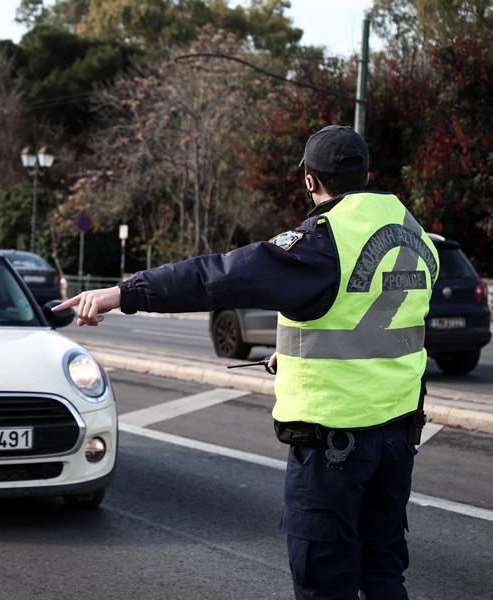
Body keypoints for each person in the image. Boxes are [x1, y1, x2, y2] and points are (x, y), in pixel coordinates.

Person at [54, 125, 438, 599]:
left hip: (335, 449)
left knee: (326, 582)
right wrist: (297, 349)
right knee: (382, 573)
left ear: (309, 180)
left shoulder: (321, 244)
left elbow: (215, 277)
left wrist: (123, 293)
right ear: (365, 175)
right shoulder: (413, 232)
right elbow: (387, 321)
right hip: (397, 439)